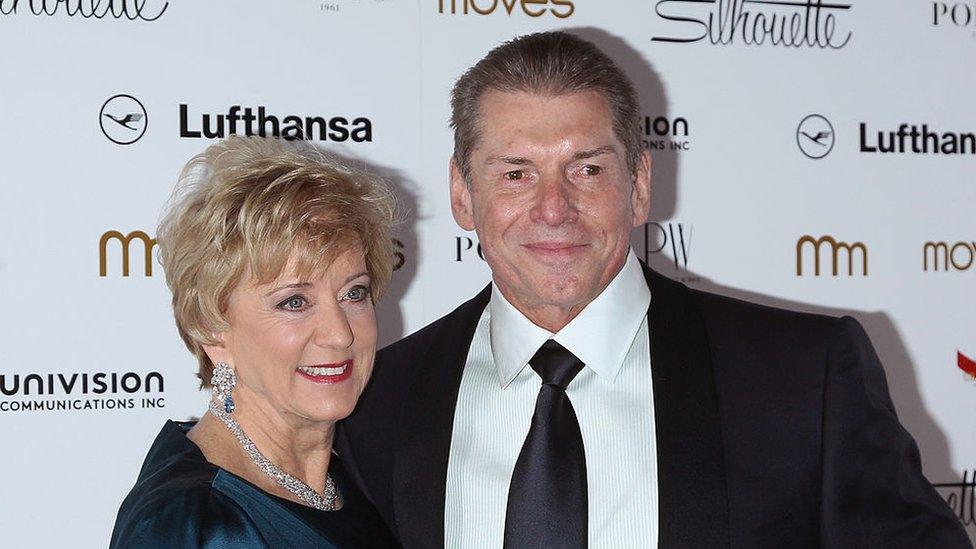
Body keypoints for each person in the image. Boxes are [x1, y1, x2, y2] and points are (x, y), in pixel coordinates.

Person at [338, 32, 970, 548]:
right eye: (516, 172)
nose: (553, 209)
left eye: (587, 169)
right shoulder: (377, 403)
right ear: (461, 194)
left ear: (640, 184)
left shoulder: (808, 378)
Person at [110, 136, 399, 548]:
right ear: (211, 328)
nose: (339, 334)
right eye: (294, 302)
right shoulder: (195, 523)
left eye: (353, 293)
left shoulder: (356, 479)